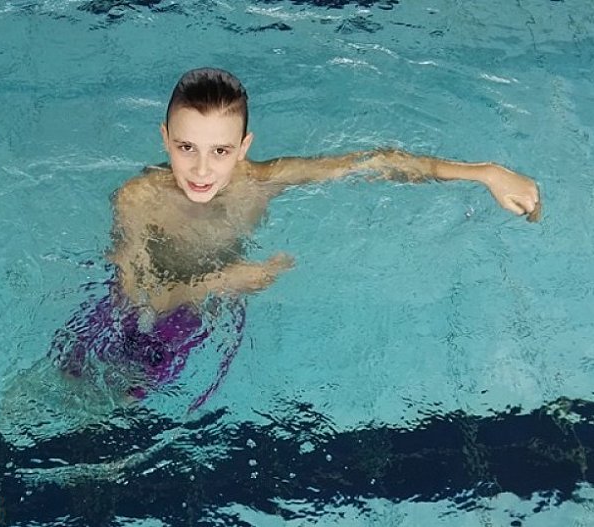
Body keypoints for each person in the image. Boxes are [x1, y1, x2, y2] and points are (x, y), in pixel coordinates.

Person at [48, 67, 541, 411]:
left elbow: (372, 162)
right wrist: (220, 282)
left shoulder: (263, 183)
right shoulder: (138, 199)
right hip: (128, 316)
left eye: (220, 151)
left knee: (116, 422)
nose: (201, 169)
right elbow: (134, 298)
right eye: (186, 148)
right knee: (62, 395)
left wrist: (485, 172)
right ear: (164, 140)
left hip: (193, 317)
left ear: (244, 147)